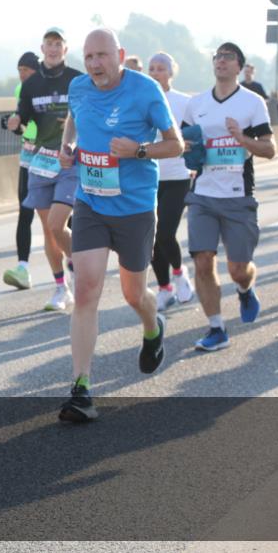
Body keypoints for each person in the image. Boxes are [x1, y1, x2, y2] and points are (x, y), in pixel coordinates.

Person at [57, 28, 182, 423]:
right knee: (87, 288)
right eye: (89, 56)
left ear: (120, 54)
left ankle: (152, 325)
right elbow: (74, 119)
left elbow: (175, 144)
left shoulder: (145, 90)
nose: (95, 64)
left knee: (133, 294)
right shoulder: (78, 87)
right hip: (91, 202)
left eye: (103, 56)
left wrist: (139, 150)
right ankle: (81, 389)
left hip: (135, 208)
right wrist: (69, 147)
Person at [182, 43, 276, 352]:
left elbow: (269, 149)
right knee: (202, 260)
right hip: (203, 195)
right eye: (217, 56)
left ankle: (245, 289)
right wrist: (189, 148)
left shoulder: (252, 103)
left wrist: (241, 139)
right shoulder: (195, 104)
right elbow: (183, 143)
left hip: (238, 197)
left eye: (228, 57)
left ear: (239, 66)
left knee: (238, 267)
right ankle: (216, 328)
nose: (221, 61)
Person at [18, 28, 82, 311]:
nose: (53, 49)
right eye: (49, 44)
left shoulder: (78, 80)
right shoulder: (31, 84)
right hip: (40, 161)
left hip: (69, 160)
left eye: (58, 44)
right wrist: (15, 121)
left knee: (59, 224)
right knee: (49, 230)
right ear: (42, 49)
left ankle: (77, 268)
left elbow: (90, 113)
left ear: (65, 49)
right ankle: (61, 288)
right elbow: (24, 118)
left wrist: (71, 124)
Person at [146, 52, 195, 311]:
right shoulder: (141, 101)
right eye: (151, 68)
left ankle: (179, 273)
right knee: (152, 236)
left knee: (165, 232)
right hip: (149, 177)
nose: (155, 72)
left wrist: (191, 146)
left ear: (171, 72)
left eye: (161, 68)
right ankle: (164, 289)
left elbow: (198, 134)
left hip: (178, 176)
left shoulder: (185, 102)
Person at [4, 51, 40, 289]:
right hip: (27, 158)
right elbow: (24, 125)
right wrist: (12, 124)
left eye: (26, 71)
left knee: (56, 220)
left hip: (50, 158)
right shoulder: (20, 91)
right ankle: (23, 268)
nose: (22, 75)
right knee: (24, 212)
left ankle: (73, 263)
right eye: (19, 71)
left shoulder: (49, 89)